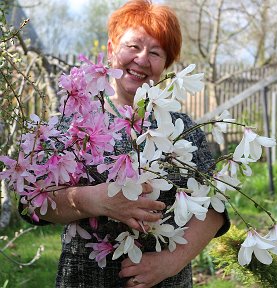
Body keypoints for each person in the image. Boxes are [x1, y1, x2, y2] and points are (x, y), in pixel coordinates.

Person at [20, 0, 230, 287]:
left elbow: (215, 208)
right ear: (110, 49)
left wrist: (170, 261)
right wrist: (95, 199)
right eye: (133, 46)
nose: (142, 59)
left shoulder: (182, 129)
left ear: (165, 66)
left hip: (166, 282)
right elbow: (31, 202)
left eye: (156, 52)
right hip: (84, 279)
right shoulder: (72, 122)